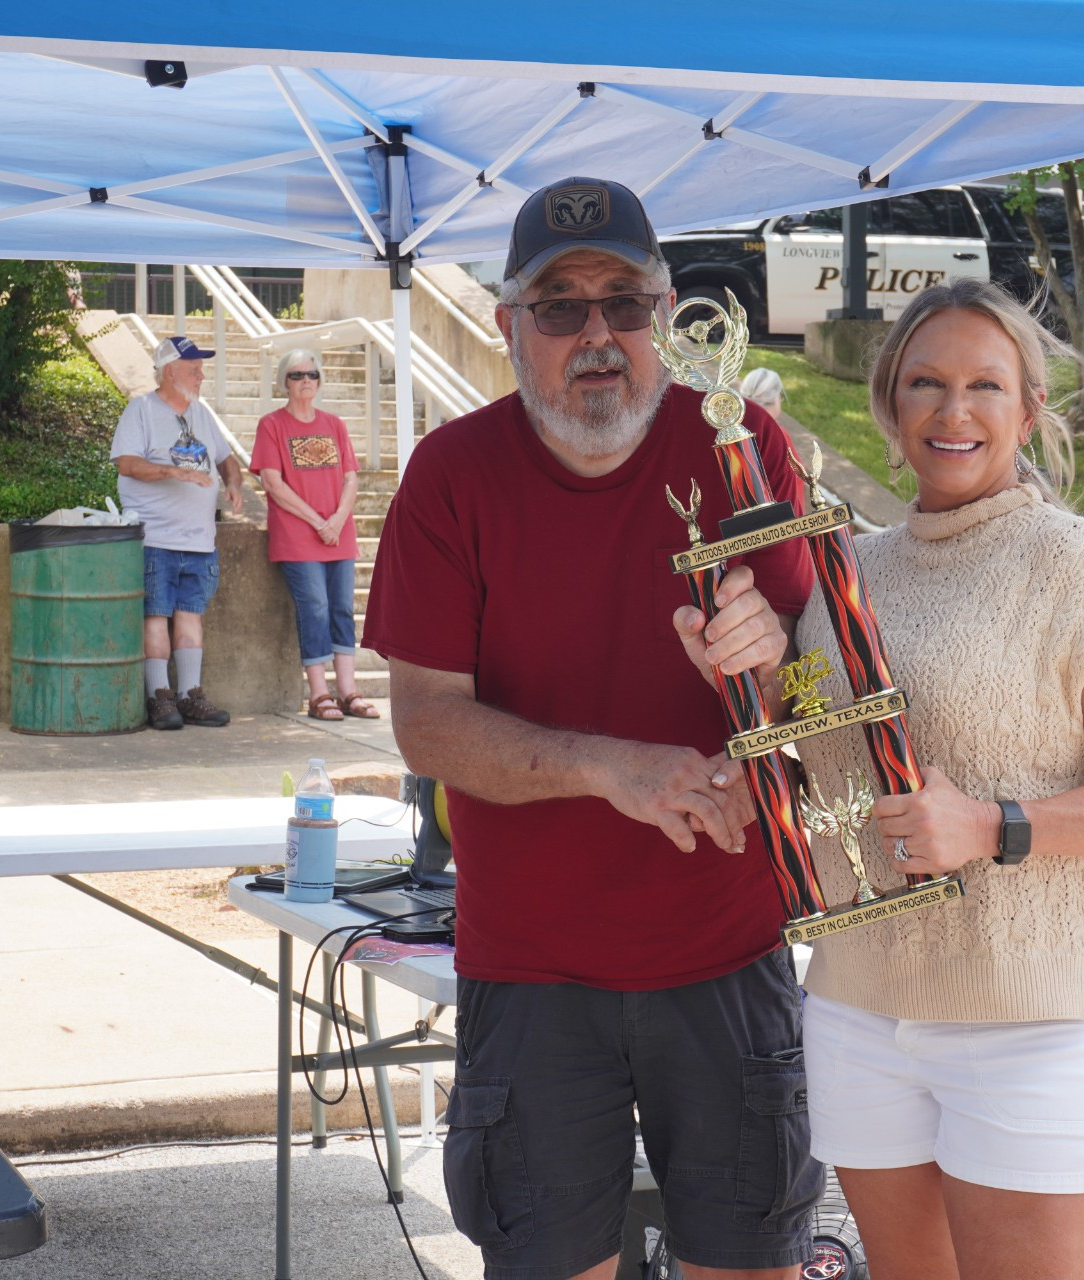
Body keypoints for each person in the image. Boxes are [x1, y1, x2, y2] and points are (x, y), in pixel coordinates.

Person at [364, 176, 820, 1280]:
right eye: (560, 307)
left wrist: (776, 660)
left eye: (624, 301)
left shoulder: (743, 443)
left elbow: (825, 688)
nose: (597, 335)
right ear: (507, 324)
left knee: (749, 1259)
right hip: (534, 968)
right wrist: (611, 769)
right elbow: (426, 725)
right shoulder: (452, 475)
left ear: (666, 310)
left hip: (729, 946)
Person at [792, 278, 1084, 1280]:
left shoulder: (1077, 564)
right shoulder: (844, 574)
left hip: (1033, 1020)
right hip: (858, 1009)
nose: (954, 410)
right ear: (889, 405)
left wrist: (991, 825)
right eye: (926, 382)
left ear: (1029, 408)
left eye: (985, 385)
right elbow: (820, 771)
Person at [110, 335, 243, 730]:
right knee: (155, 616)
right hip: (155, 540)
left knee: (190, 617)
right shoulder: (141, 411)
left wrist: (233, 484)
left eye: (201, 369)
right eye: (193, 369)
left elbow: (227, 459)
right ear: (169, 372)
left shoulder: (202, 414)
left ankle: (189, 696)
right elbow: (127, 464)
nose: (201, 376)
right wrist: (174, 471)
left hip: (199, 541)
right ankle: (159, 697)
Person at [250, 347, 378, 721]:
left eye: (312, 374)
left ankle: (348, 691)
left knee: (342, 609)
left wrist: (336, 519)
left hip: (339, 533)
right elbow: (272, 483)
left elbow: (351, 477)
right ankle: (319, 693)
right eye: (297, 375)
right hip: (298, 536)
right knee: (315, 607)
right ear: (284, 382)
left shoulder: (335, 424)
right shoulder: (272, 425)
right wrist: (318, 522)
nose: (306, 381)